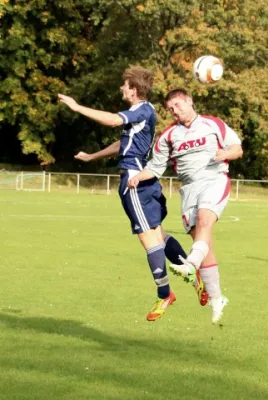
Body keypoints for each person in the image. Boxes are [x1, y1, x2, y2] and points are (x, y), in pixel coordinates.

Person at [58, 68, 208, 322]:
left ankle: (165, 294)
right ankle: (193, 273)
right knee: (159, 234)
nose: (121, 89)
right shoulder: (142, 115)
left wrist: (77, 107)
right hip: (141, 177)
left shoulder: (143, 109)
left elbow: (113, 121)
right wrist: (93, 156)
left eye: (124, 86)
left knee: (148, 240)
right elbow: (122, 144)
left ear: (134, 90)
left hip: (135, 181)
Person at [128, 88, 243, 324]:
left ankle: (190, 265)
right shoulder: (168, 136)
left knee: (204, 220)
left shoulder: (214, 124)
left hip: (214, 179)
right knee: (203, 240)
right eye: (171, 109)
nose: (175, 111)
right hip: (189, 189)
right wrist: (138, 176)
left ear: (190, 102)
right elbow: (156, 168)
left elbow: (237, 149)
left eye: (178, 105)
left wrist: (225, 153)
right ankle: (216, 298)